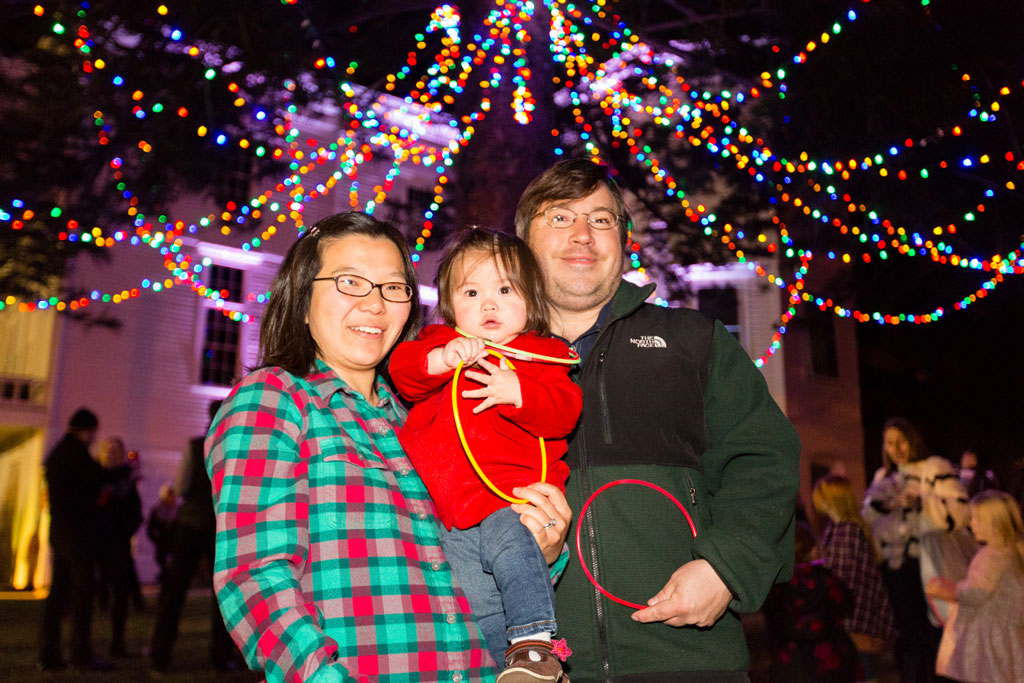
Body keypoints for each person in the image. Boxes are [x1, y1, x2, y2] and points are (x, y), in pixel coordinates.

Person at [205, 211, 570, 683]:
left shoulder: (424, 421)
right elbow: (255, 579)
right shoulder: (274, 400)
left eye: (393, 288)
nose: (375, 305)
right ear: (301, 298)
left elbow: (473, 565)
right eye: (350, 282)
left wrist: (545, 546)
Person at [514, 158, 802, 680]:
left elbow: (764, 459)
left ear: (624, 241)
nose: (583, 234)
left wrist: (725, 568)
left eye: (601, 220)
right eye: (560, 218)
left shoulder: (694, 342)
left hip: (689, 660)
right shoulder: (482, 363)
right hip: (532, 669)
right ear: (522, 242)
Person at [390, 228, 582, 678]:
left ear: (531, 300)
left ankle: (536, 644)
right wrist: (443, 359)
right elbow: (404, 372)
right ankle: (513, 669)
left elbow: (566, 411)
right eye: (472, 292)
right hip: (448, 513)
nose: (489, 304)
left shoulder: (543, 354)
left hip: (510, 500)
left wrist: (519, 391)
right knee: (477, 598)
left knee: (516, 560)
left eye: (504, 290)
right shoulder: (439, 343)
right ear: (451, 305)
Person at [861, 418, 954, 682]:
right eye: (890, 443)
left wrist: (923, 503)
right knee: (907, 631)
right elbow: (868, 515)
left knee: (934, 626)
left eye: (901, 440)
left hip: (928, 561)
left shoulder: (933, 468)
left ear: (912, 440)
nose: (897, 448)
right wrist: (891, 503)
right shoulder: (883, 476)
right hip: (895, 565)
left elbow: (954, 512)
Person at [149, 400, 236, 672]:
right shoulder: (233, 446)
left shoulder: (195, 445)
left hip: (189, 525)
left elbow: (181, 486)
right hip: (218, 527)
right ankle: (220, 656)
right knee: (221, 595)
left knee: (174, 592)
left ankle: (160, 654)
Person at [38, 407, 112, 671]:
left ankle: (50, 654)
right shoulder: (74, 452)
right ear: (87, 429)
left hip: (58, 529)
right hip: (74, 531)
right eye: (94, 432)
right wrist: (120, 474)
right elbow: (96, 476)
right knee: (83, 587)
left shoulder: (58, 452)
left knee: (58, 591)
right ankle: (80, 653)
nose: (94, 438)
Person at [926, 490, 1024, 681]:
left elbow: (975, 594)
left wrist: (948, 591)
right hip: (1007, 631)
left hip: (988, 637)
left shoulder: (991, 556)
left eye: (976, 519)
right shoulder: (1012, 551)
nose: (971, 524)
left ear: (992, 523)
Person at [812, 475, 898, 681]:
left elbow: (842, 576)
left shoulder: (846, 531)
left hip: (853, 615)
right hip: (856, 613)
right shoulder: (844, 528)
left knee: (860, 667)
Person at [761, 522, 859, 683]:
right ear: (812, 550)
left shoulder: (775, 584)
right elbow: (847, 605)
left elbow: (770, 617)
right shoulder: (826, 579)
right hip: (829, 660)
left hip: (790, 663)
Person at [94, 436, 144, 658]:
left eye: (116, 450)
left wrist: (124, 531)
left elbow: (136, 513)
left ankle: (117, 643)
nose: (111, 454)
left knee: (120, 593)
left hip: (118, 544)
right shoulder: (92, 477)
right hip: (95, 542)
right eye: (108, 449)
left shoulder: (127, 480)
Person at [146, 481, 180, 586]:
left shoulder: (177, 509)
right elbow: (150, 527)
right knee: (163, 562)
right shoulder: (157, 510)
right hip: (162, 542)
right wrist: (155, 538)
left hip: (173, 542)